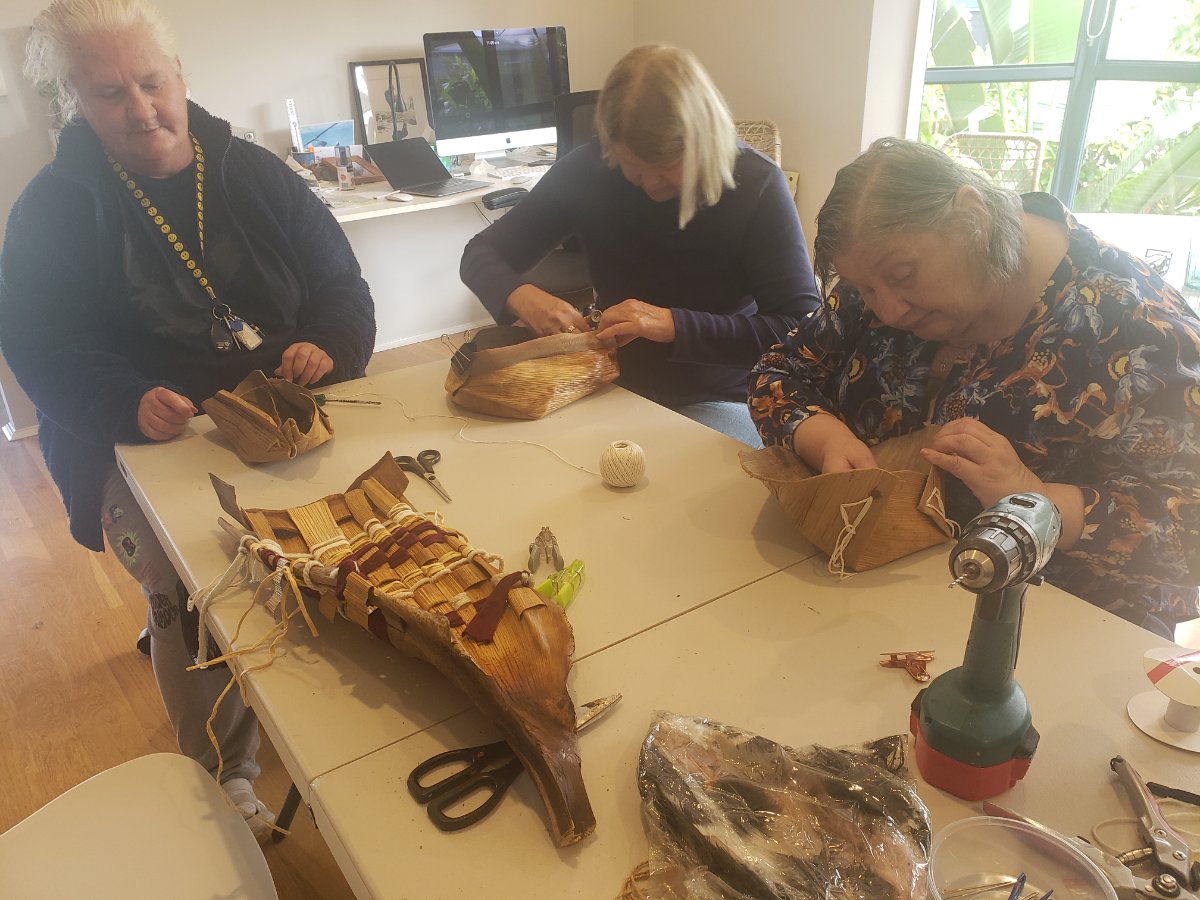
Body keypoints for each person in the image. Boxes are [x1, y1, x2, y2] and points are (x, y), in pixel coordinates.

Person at [0, 0, 375, 835]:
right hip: (129, 443)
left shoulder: (255, 173)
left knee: (365, 526)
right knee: (191, 580)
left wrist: (326, 340)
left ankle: (353, 717)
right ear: (72, 105)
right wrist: (122, 401)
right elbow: (37, 348)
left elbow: (343, 286)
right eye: (107, 94)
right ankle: (221, 777)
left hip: (278, 417)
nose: (139, 109)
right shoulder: (49, 211)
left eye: (150, 82)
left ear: (181, 80)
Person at [750, 137, 1200, 637]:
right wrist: (828, 438)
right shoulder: (877, 279)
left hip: (1053, 623)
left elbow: (1189, 531)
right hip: (859, 589)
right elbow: (780, 372)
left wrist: (1035, 497)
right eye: (865, 290)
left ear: (973, 217)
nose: (891, 311)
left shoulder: (1139, 332)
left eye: (903, 276)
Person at [460, 44, 820, 446]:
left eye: (667, 168)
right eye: (633, 169)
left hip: (719, 398)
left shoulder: (756, 185)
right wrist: (521, 297)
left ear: (703, 141)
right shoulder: (589, 169)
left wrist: (674, 325)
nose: (650, 187)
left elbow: (800, 329)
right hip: (605, 384)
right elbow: (479, 254)